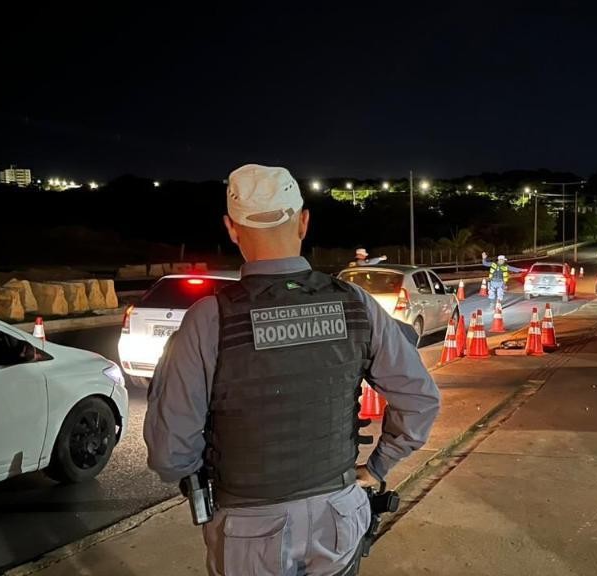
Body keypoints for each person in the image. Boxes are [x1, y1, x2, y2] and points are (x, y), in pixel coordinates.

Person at [145, 164, 441, 576]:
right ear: (303, 222)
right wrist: (378, 466)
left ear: (232, 229)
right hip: (338, 514)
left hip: (248, 529)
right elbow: (420, 399)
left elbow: (170, 454)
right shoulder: (356, 304)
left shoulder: (209, 319)